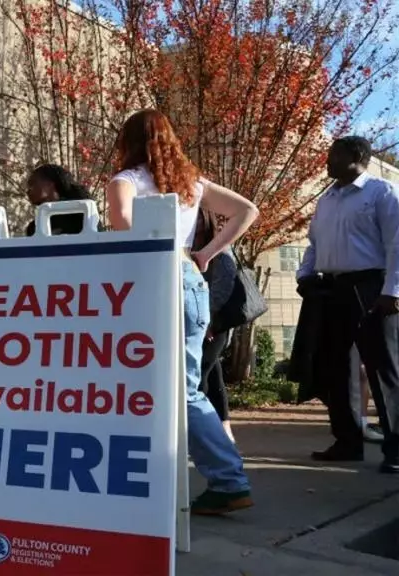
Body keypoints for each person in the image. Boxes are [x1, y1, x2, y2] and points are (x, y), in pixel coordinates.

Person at [106, 109, 257, 514]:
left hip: (150, 284)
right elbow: (247, 210)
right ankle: (195, 475)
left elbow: (120, 224)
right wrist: (206, 252)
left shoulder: (127, 181)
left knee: (172, 388)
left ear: (129, 141)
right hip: (191, 280)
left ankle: (228, 479)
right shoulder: (191, 183)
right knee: (175, 386)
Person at [297, 135, 399, 474]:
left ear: (355, 157)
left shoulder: (380, 193)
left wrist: (393, 290)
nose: (327, 161)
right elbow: (313, 242)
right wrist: (305, 274)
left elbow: (396, 243)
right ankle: (347, 441)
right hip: (332, 289)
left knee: (382, 368)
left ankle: (396, 449)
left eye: (333, 155)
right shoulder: (327, 200)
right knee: (336, 367)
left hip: (371, 286)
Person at [193, 208, 236, 442]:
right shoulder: (186, 246)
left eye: (198, 216)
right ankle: (225, 430)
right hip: (198, 322)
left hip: (213, 325)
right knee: (213, 376)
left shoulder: (220, 247)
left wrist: (207, 320)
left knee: (198, 376)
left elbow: (223, 287)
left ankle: (204, 433)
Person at [24, 163, 91, 236]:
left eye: (32, 184)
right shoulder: (34, 227)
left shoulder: (80, 213)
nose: (28, 190)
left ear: (50, 184)